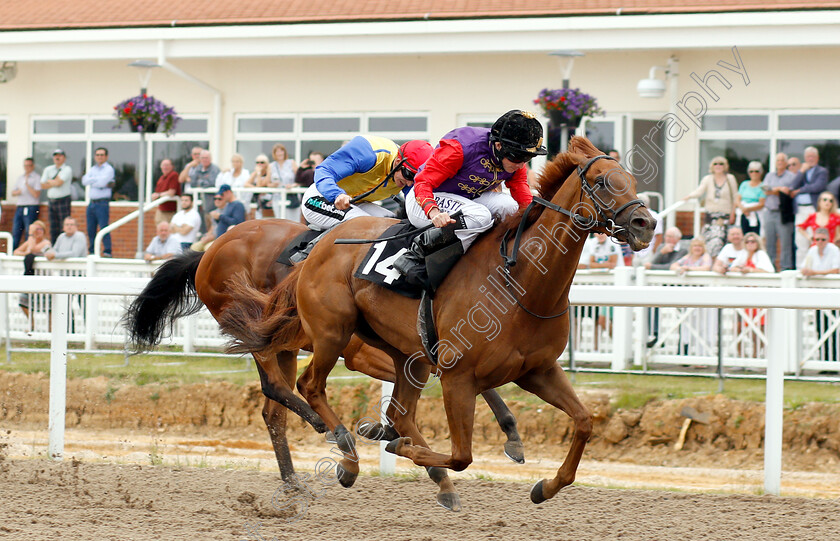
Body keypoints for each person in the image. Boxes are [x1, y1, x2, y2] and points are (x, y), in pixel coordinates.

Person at [394, 110, 544, 285]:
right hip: (424, 199)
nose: (520, 164)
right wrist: (434, 213)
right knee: (481, 215)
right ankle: (417, 253)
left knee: (509, 207)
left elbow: (523, 197)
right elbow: (422, 182)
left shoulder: (515, 163)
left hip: (466, 199)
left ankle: (499, 257)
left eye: (527, 157)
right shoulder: (460, 148)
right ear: (498, 146)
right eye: (517, 156)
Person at [302, 136, 433, 231]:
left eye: (416, 178)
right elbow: (324, 170)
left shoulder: (405, 172)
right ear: (398, 161)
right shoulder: (369, 153)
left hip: (357, 202)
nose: (410, 184)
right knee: (366, 226)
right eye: (409, 175)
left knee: (398, 226)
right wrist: (337, 195)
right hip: (321, 197)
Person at [682, 156, 738, 258]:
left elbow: (735, 197)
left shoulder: (730, 178)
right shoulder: (707, 179)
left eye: (721, 164)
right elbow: (700, 191)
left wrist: (733, 214)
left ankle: (718, 262)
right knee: (708, 241)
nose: (718, 166)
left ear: (725, 166)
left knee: (719, 241)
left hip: (724, 216)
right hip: (710, 216)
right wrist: (689, 196)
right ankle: (709, 262)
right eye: (715, 164)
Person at [801, 227, 840, 362]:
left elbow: (836, 270)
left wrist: (814, 273)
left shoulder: (834, 250)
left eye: (823, 239)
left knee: (833, 329)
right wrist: (806, 271)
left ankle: (834, 360)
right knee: (820, 327)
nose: (820, 242)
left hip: (833, 295)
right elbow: (804, 267)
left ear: (828, 239)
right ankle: (823, 359)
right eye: (817, 239)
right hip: (817, 295)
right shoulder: (812, 251)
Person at [791, 146, 829, 268]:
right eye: (808, 157)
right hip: (800, 210)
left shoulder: (822, 171)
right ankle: (800, 268)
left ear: (817, 158)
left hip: (813, 209)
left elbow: (818, 186)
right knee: (800, 240)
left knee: (814, 238)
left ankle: (816, 268)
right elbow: (792, 186)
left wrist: (799, 190)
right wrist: (801, 172)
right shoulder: (802, 171)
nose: (810, 159)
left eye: (813, 156)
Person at [762, 152, 797, 271]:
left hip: (784, 213)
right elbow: (765, 190)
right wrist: (779, 189)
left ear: (786, 163)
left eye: (782, 160)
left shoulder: (791, 176)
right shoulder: (769, 176)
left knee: (785, 243)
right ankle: (769, 268)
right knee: (769, 242)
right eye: (778, 160)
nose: (780, 162)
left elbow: (789, 192)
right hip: (769, 212)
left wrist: (774, 190)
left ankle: (785, 268)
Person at [14, 220, 52, 327]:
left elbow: (33, 249)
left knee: (48, 307)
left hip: (44, 277)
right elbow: (16, 252)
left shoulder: (46, 243)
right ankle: (32, 324)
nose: (37, 231)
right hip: (30, 276)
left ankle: (50, 330)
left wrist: (30, 234)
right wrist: (25, 252)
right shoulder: (30, 241)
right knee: (24, 302)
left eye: (40, 229)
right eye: (36, 229)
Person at [81, 147, 115, 257]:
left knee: (103, 227)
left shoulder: (109, 169)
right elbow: (84, 181)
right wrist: (97, 180)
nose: (99, 157)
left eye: (102, 155)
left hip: (102, 203)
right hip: (92, 203)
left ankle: (107, 251)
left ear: (106, 156)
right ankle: (92, 251)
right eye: (97, 155)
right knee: (90, 228)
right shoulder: (92, 169)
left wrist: (93, 180)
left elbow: (102, 182)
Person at [191, 185, 246, 252]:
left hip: (227, 241)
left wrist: (220, 216)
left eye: (222, 195)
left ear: (228, 192)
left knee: (207, 249)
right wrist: (217, 218)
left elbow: (238, 223)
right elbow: (224, 222)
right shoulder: (229, 205)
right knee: (195, 248)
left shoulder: (238, 205)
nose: (222, 197)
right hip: (220, 239)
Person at [40, 149, 73, 244]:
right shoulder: (48, 169)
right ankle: (55, 246)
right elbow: (42, 185)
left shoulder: (67, 169)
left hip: (63, 200)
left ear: (64, 158)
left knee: (64, 226)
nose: (57, 158)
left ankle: (65, 246)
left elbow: (59, 183)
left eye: (60, 156)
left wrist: (49, 181)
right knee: (53, 227)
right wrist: (54, 182)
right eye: (55, 156)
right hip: (51, 200)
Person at [11, 157, 41, 250]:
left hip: (31, 207)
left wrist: (27, 185)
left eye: (29, 165)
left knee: (29, 231)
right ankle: (13, 252)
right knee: (16, 231)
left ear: (33, 166)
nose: (27, 167)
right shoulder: (20, 177)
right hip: (20, 206)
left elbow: (36, 194)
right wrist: (18, 191)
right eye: (25, 166)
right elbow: (13, 192)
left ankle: (28, 251)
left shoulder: (36, 177)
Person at [185, 149, 220, 231]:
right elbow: (193, 183)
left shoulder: (214, 169)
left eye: (206, 158)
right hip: (200, 204)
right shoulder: (198, 168)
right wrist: (203, 182)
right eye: (203, 158)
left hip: (211, 205)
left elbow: (211, 182)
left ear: (210, 159)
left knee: (211, 226)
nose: (205, 160)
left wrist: (200, 182)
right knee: (201, 224)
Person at [269, 143, 300, 222]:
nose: (280, 153)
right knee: (280, 222)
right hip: (277, 197)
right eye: (277, 152)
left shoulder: (291, 162)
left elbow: (299, 179)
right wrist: (274, 184)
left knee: (293, 221)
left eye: (281, 151)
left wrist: (292, 185)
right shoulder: (271, 166)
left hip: (291, 196)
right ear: (274, 153)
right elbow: (267, 183)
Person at [632, 193, 662, 267]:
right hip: (637, 252)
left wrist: (654, 251)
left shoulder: (655, 216)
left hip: (649, 251)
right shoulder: (634, 215)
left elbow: (659, 236)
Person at [736, 161, 766, 234]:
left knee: (755, 235)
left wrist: (748, 209)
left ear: (761, 172)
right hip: (743, 213)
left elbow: (762, 203)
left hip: (756, 215)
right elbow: (737, 199)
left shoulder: (763, 186)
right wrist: (743, 209)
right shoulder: (744, 184)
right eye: (751, 171)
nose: (754, 173)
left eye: (756, 171)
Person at [150, 158, 181, 224]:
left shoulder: (174, 175)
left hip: (170, 211)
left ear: (172, 166)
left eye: (167, 165)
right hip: (161, 209)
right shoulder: (161, 178)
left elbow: (171, 192)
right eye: (163, 165)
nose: (165, 167)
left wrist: (158, 195)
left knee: (168, 230)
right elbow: (159, 192)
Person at [245, 154, 272, 219]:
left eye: (262, 162)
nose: (259, 164)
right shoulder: (255, 172)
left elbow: (260, 186)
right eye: (257, 162)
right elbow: (246, 184)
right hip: (258, 200)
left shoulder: (269, 172)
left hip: (268, 200)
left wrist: (259, 173)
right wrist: (254, 188)